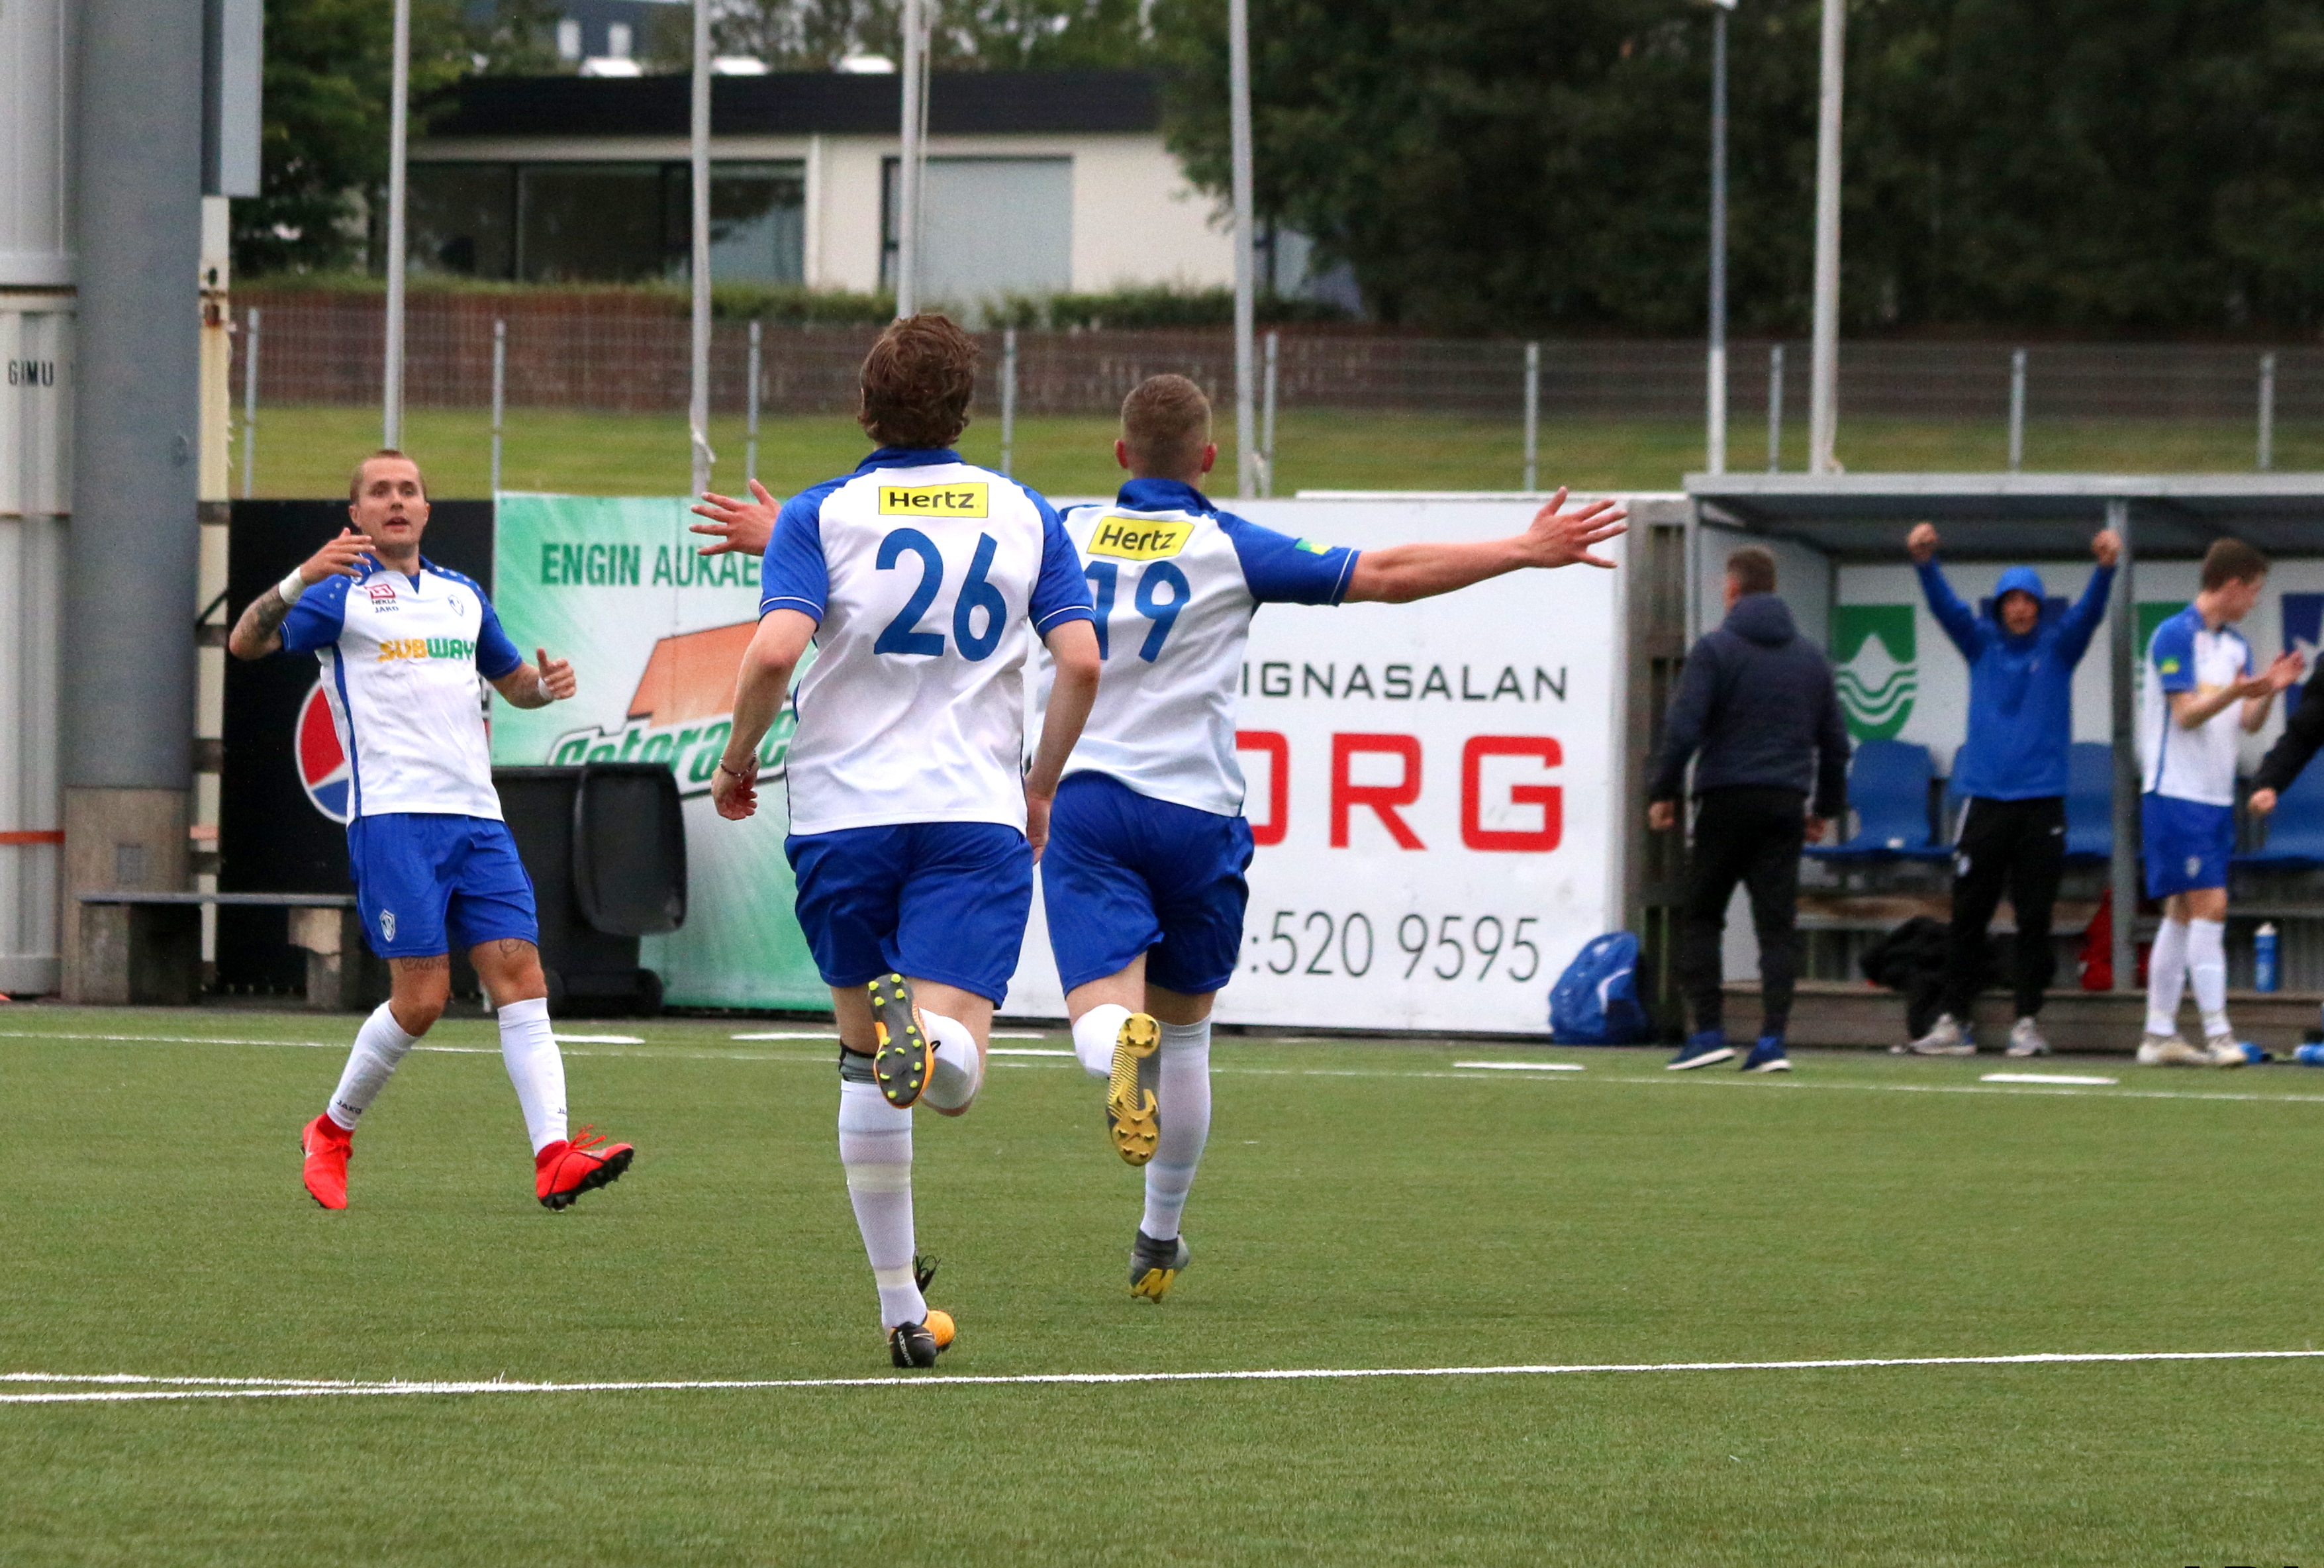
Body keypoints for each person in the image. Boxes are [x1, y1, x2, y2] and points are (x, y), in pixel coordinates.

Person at [1025, 374, 1624, 1302]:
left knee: (1105, 1013)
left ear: (1119, 454)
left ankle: (1115, 1045)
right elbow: (1385, 575)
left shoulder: (1060, 527)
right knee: (1187, 1038)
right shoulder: (1230, 545)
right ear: (1209, 457)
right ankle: (1159, 1235)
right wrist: (1522, 547)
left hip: (1090, 800)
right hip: (1197, 815)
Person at [695, 316, 1101, 1369]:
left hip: (841, 814)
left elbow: (773, 652)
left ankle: (899, 1311)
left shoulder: (819, 513)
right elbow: (1081, 661)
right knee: (951, 1070)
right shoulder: (1024, 511)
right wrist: (1040, 784)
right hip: (969, 812)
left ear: (864, 408)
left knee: (862, 1061)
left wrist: (737, 758)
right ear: (964, 411)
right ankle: (936, 1040)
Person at [227, 450, 635, 1212]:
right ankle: (331, 1130)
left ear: (425, 509)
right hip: (395, 821)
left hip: (478, 819)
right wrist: (299, 577)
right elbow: (245, 642)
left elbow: (514, 684)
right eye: (380, 491)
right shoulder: (337, 593)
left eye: (408, 490)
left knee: (522, 979)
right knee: (422, 999)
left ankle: (553, 1155)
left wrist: (545, 687)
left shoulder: (461, 596)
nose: (396, 500)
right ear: (356, 514)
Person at [1902, 522, 2119, 1057]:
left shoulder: (2060, 647)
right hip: (1985, 801)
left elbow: (2090, 613)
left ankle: (2027, 1022)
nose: (2019, 609)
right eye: (2010, 600)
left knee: (2034, 916)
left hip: (2041, 804)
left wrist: (2105, 569)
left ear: (2039, 607)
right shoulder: (1980, 643)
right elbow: (1947, 609)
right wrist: (1925, 563)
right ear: (1999, 606)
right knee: (1968, 915)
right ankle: (1954, 1021)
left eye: (2027, 600)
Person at [1647, 546, 1850, 1073]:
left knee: (1703, 915)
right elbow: (1835, 744)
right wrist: (1824, 807)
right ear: (1774, 589)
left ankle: (1709, 1032)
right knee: (1776, 927)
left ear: (1733, 590)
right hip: (1785, 803)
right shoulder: (1810, 659)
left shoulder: (1715, 650)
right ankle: (1772, 1041)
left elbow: (1684, 729)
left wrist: (1663, 791)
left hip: (1725, 799)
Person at [2136, 538, 2300, 1067]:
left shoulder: (2236, 646)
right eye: (2253, 590)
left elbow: (2247, 722)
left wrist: (2269, 689)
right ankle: (2219, 1032)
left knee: (2182, 913)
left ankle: (2158, 1033)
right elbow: (2185, 714)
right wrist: (2236, 692)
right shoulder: (2173, 634)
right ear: (2231, 585)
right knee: (2212, 905)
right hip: (2175, 792)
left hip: (2214, 795)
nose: (2254, 600)